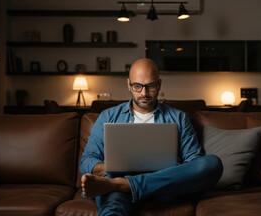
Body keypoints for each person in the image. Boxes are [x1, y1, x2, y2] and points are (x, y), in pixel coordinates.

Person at [80, 58, 223, 216]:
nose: (144, 93)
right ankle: (124, 184)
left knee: (213, 163)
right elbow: (87, 160)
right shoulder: (108, 116)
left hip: (166, 187)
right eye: (137, 86)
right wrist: (114, 167)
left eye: (151, 86)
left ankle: (125, 185)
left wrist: (172, 170)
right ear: (128, 84)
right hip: (118, 187)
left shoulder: (179, 118)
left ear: (159, 84)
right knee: (113, 205)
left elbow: (195, 160)